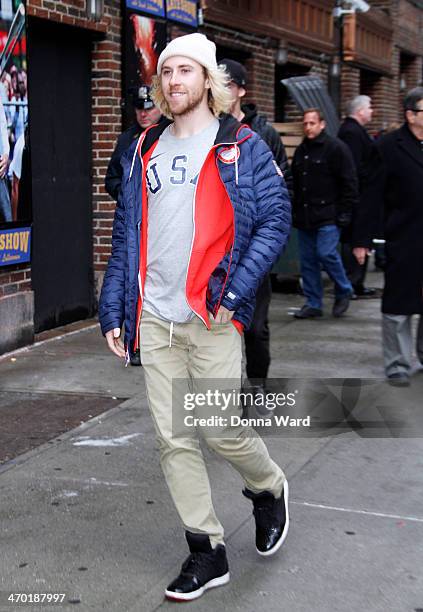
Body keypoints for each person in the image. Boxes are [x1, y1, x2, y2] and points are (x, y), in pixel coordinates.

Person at [99, 33, 291, 602]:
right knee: (173, 436)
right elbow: (127, 234)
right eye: (167, 72)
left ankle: (268, 485)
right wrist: (115, 305)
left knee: (219, 427)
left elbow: (275, 222)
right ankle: (206, 551)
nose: (175, 80)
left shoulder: (243, 146)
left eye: (186, 70)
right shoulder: (143, 149)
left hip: (210, 314)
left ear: (208, 81)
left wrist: (232, 295)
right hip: (156, 317)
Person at [218, 58, 292, 396]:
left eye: (228, 85)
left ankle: (258, 386)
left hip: (253, 250)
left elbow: (281, 188)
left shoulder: (262, 133)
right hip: (217, 249)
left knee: (255, 327)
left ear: (241, 90)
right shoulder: (207, 130)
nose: (221, 90)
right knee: (218, 326)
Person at [105, 85, 164, 366]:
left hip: (162, 221)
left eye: (149, 107)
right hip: (133, 222)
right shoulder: (127, 139)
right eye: (139, 108)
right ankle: (136, 342)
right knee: (131, 278)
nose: (143, 113)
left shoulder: (169, 135)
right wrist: (129, 195)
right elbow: (111, 180)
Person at [291, 109, 358, 319]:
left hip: (328, 213)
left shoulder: (336, 148)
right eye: (305, 123)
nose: (308, 127)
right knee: (308, 261)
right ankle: (313, 303)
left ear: (322, 124)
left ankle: (344, 289)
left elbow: (349, 182)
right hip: (305, 215)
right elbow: (296, 182)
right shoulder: (303, 150)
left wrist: (345, 213)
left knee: (325, 253)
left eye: (312, 123)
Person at [377, 87, 423, 386]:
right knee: (398, 304)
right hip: (403, 237)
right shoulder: (389, 146)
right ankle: (397, 363)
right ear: (410, 115)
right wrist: (365, 239)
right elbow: (373, 195)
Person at [338, 95, 381, 297]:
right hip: (358, 195)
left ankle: (356, 282)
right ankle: (353, 281)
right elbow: (353, 166)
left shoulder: (354, 131)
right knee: (355, 238)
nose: (372, 111)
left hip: (361, 193)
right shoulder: (352, 132)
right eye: (370, 107)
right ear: (360, 111)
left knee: (360, 238)